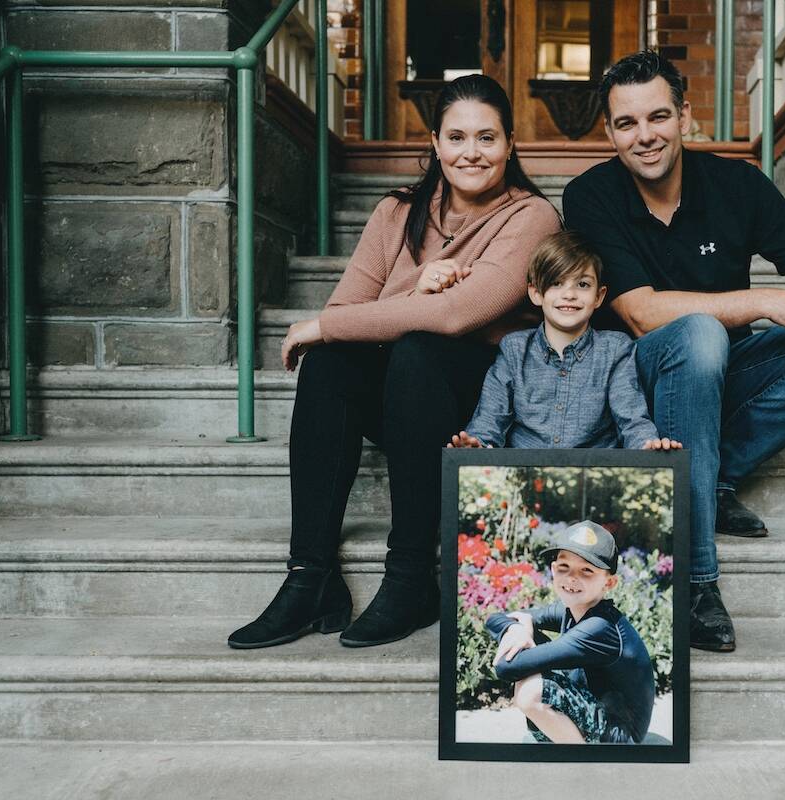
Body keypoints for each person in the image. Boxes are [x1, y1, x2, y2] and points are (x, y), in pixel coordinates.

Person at [562, 52, 785, 653]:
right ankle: (696, 580)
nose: (645, 136)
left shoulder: (735, 183)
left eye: (658, 117)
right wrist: (764, 301)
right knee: (701, 332)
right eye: (627, 124)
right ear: (609, 132)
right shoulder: (591, 195)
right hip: (638, 394)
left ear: (684, 115)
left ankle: (716, 473)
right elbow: (640, 312)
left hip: (718, 381)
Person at [228, 75, 561, 650]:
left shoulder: (531, 218)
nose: (471, 152)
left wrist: (328, 325)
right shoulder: (396, 213)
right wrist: (410, 294)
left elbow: (460, 315)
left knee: (416, 348)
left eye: (487, 137)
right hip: (406, 399)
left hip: (478, 404)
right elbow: (347, 311)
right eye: (456, 137)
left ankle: (409, 578)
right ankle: (311, 577)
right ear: (434, 142)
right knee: (331, 365)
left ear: (510, 144)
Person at [449, 230, 680, 452]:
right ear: (536, 292)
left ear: (599, 296)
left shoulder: (614, 349)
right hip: (525, 478)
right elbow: (490, 419)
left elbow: (631, 418)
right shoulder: (514, 349)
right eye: (557, 283)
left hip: (594, 479)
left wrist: (646, 445)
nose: (569, 294)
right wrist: (476, 445)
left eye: (582, 285)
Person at [485, 520, 655, 744]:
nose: (572, 577)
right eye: (564, 567)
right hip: (595, 714)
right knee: (528, 647)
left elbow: (506, 667)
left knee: (531, 692)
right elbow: (495, 618)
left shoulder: (600, 627)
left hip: (620, 737)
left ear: (609, 583)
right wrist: (517, 628)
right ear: (553, 570)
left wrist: (522, 634)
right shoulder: (569, 610)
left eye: (587, 570)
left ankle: (581, 762)